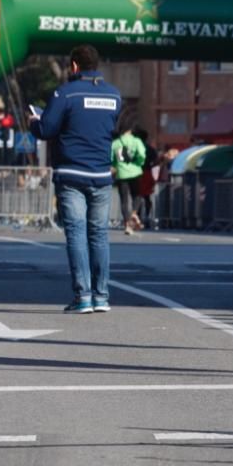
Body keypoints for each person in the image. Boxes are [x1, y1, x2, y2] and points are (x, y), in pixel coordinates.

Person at [29, 44, 121, 313]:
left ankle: (83, 296)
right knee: (99, 236)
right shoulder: (114, 95)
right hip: (102, 174)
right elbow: (108, 126)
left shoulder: (65, 93)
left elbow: (46, 128)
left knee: (77, 235)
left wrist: (34, 120)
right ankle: (102, 297)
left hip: (71, 174)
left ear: (74, 66)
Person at [111, 122, 146, 235]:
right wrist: (138, 163)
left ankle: (127, 224)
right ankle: (134, 213)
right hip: (135, 172)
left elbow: (111, 159)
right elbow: (142, 154)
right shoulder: (136, 141)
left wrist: (116, 166)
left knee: (124, 200)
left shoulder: (116, 143)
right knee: (137, 195)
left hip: (122, 173)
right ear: (130, 130)